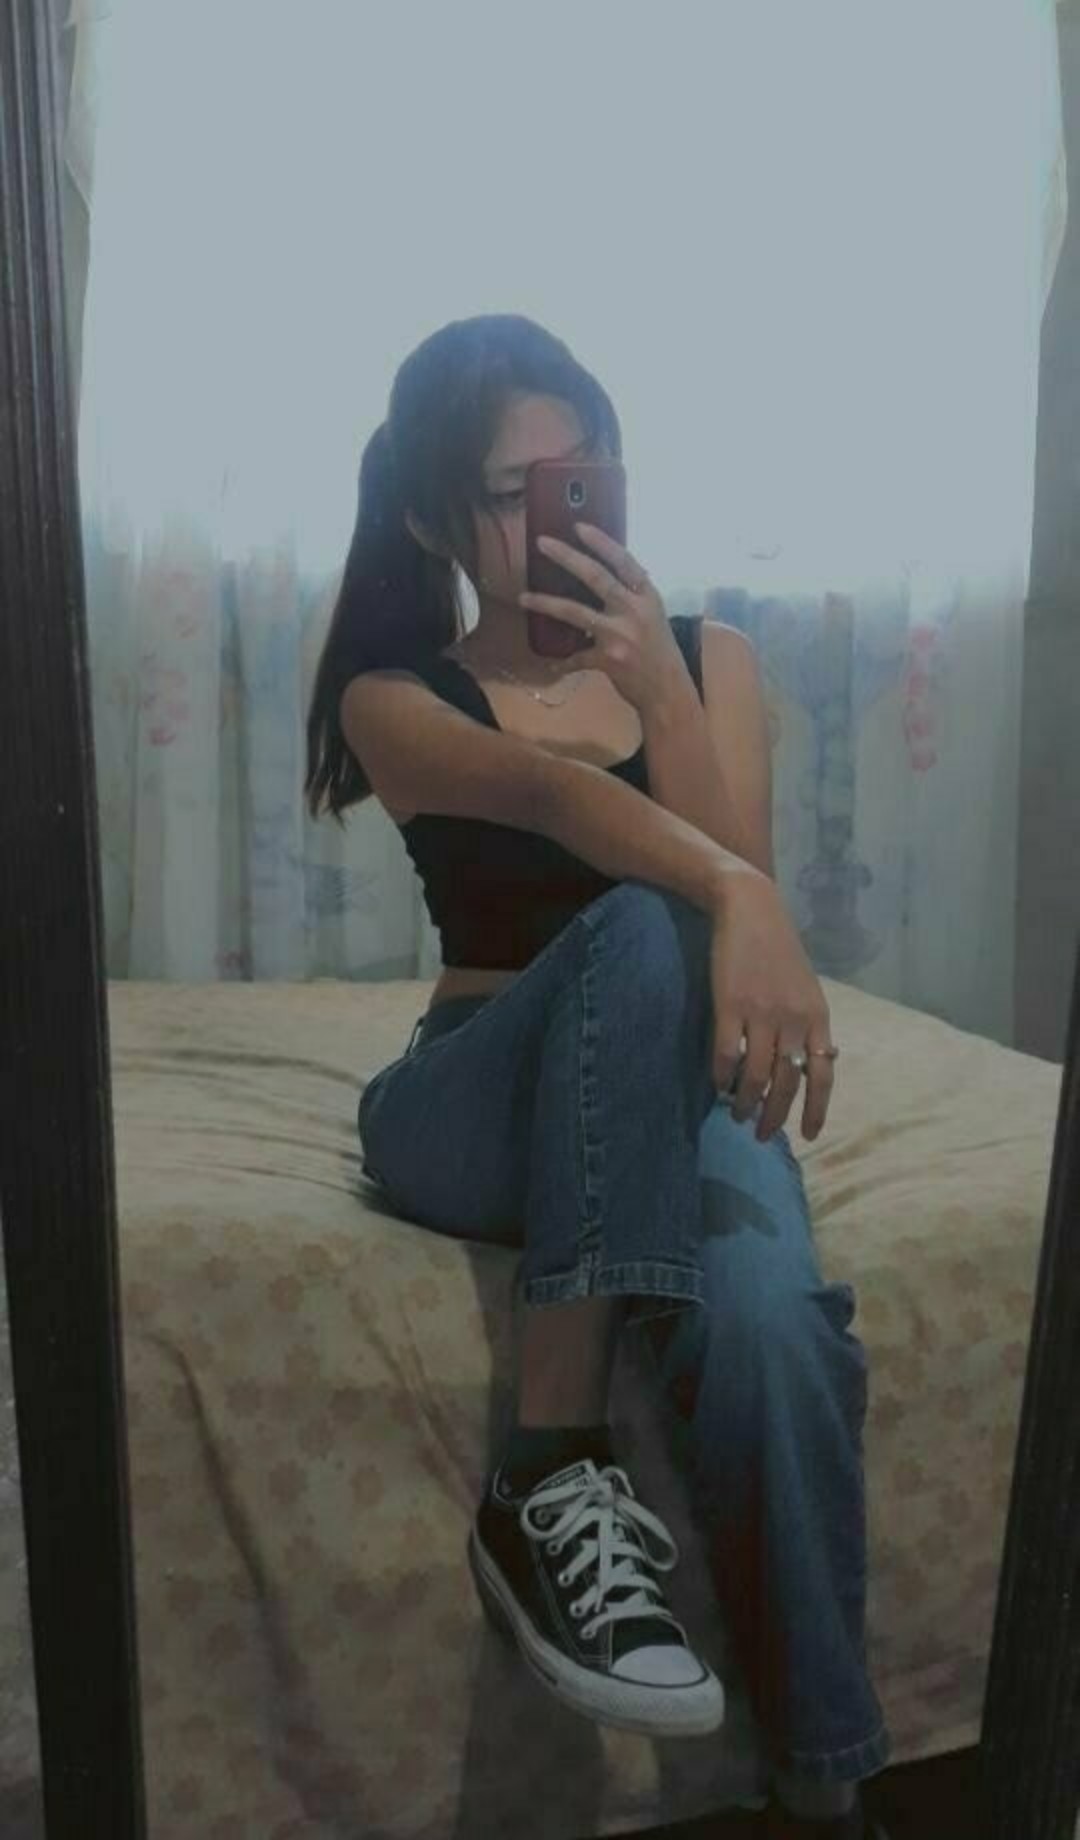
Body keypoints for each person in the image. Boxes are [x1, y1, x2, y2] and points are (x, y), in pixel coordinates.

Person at [305, 314, 891, 1840]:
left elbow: (746, 917)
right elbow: (572, 813)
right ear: (433, 517)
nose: (556, 518)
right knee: (640, 918)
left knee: (771, 1326)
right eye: (512, 494)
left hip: (682, 1092)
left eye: (583, 474)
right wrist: (731, 888)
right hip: (473, 1102)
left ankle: (827, 1785)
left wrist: (668, 701)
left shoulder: (712, 659)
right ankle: (547, 1467)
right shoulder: (394, 692)